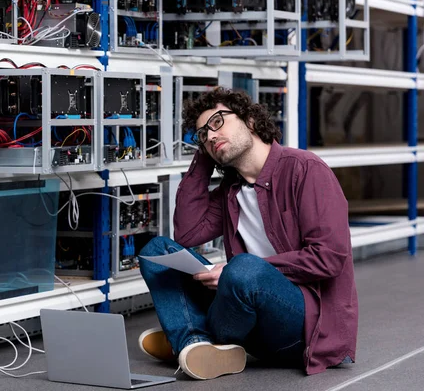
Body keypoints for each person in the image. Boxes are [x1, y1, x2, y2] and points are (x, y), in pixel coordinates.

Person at [137, 87, 358, 380]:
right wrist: (203, 157)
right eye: (203, 134)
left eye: (217, 122)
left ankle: (191, 334)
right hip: (246, 311)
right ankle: (195, 346)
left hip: (300, 327)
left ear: (251, 120)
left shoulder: (305, 170)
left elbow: (328, 258)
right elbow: (187, 235)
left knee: (244, 268)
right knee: (156, 252)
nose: (211, 135)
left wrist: (234, 272)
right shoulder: (232, 190)